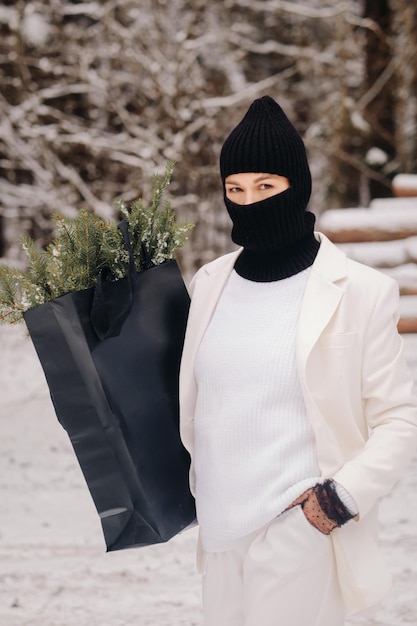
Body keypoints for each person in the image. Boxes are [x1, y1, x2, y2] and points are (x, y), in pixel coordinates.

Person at [179, 95, 417, 626]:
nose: (248, 201)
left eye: (266, 186)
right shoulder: (210, 284)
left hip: (299, 528)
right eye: (234, 189)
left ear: (297, 186)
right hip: (219, 534)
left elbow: (398, 419)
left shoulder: (359, 290)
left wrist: (335, 503)